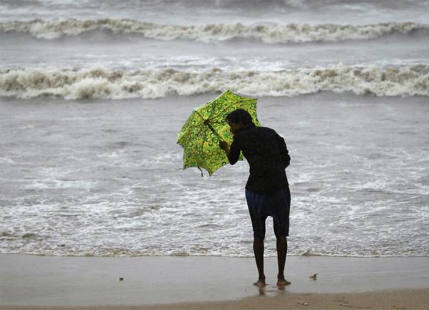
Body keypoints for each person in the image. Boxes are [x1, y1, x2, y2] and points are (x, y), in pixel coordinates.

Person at [219, 108, 291, 288]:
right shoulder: (270, 132)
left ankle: (261, 279)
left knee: (258, 235)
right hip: (279, 188)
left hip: (255, 191)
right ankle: (281, 278)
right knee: (281, 234)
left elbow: (233, 160)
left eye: (231, 125)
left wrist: (226, 148)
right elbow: (286, 159)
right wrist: (274, 171)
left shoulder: (239, 138)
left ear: (241, 123)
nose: (230, 129)